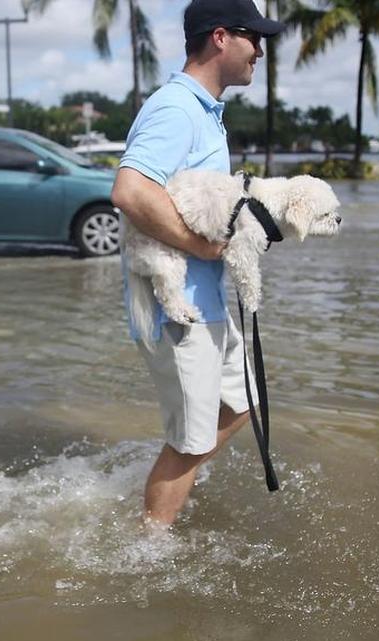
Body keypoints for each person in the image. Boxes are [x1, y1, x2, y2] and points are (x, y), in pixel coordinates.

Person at [110, 0, 284, 527]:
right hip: (181, 309)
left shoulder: (204, 110)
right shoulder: (177, 108)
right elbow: (129, 190)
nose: (261, 49)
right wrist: (201, 246)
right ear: (221, 38)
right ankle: (149, 551)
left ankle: (170, 482)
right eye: (255, 37)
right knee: (189, 443)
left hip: (205, 304)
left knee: (241, 402)